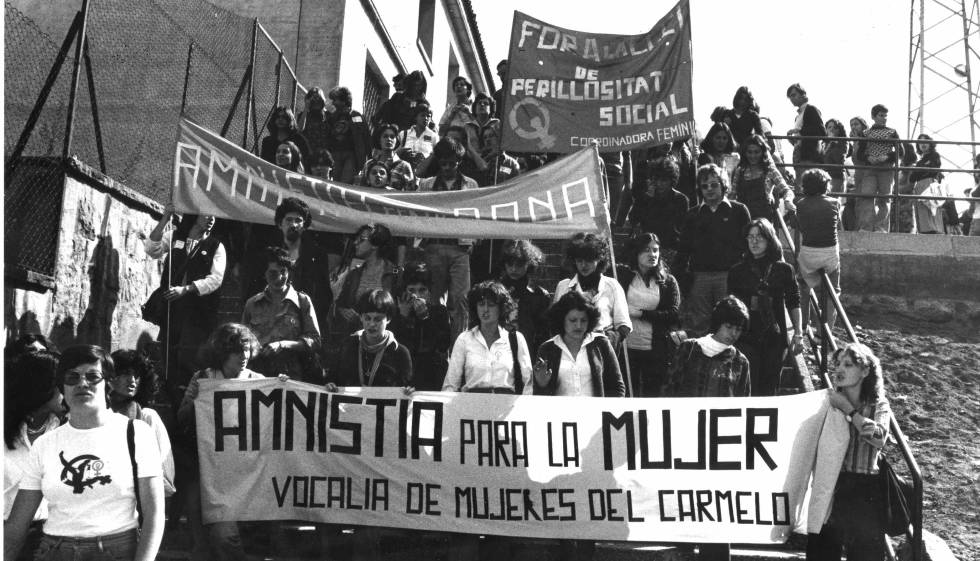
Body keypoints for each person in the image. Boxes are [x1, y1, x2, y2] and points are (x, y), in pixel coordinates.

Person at [4, 345, 165, 561]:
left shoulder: (136, 433)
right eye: (72, 377)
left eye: (93, 376)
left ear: (108, 383)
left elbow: (154, 514)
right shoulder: (45, 444)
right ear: (62, 387)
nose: (82, 383)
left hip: (114, 551)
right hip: (54, 551)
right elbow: (16, 527)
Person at [531, 291, 624, 561]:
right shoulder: (548, 348)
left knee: (589, 493)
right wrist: (543, 383)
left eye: (583, 320)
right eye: (572, 320)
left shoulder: (600, 344)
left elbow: (617, 387)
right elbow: (539, 398)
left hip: (593, 432)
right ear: (562, 320)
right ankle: (564, 549)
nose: (578, 325)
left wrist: (608, 421)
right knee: (562, 491)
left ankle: (586, 551)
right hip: (560, 432)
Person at [662, 297, 751, 561]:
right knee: (684, 504)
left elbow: (745, 405)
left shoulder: (741, 362)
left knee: (717, 510)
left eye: (738, 329)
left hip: (720, 448)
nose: (733, 334)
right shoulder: (690, 349)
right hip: (685, 442)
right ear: (717, 324)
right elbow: (668, 390)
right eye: (729, 326)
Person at [177, 323, 264, 561]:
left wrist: (281, 387)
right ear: (222, 353)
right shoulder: (203, 378)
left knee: (224, 534)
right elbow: (182, 417)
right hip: (206, 464)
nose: (244, 356)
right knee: (198, 513)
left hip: (241, 469)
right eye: (237, 351)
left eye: (247, 350)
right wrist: (201, 402)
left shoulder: (259, 380)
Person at [807, 342, 891, 560]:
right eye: (839, 364)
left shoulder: (877, 405)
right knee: (823, 550)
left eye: (849, 365)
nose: (840, 370)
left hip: (865, 489)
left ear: (864, 371)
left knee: (865, 554)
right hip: (833, 484)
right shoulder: (827, 401)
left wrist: (848, 409)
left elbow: (879, 438)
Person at [145, 204, 225, 407]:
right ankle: (169, 397)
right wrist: (165, 217)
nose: (211, 219)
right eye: (207, 214)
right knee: (168, 351)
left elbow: (215, 279)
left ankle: (188, 401)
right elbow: (151, 249)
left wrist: (187, 289)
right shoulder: (175, 236)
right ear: (195, 215)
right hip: (172, 307)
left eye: (214, 216)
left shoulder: (216, 246)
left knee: (190, 355)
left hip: (197, 311)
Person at [673, 164, 752, 336]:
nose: (709, 189)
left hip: (729, 276)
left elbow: (748, 245)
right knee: (699, 325)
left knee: (729, 322)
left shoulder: (739, 210)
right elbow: (683, 249)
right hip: (700, 277)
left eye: (714, 184)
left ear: (723, 185)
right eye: (704, 186)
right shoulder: (693, 215)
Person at [727, 219, 803, 396]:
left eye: (759, 237)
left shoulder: (784, 269)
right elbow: (731, 307)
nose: (754, 242)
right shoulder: (737, 271)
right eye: (750, 237)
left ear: (769, 239)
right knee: (747, 387)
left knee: (769, 388)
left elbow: (794, 301)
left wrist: (798, 333)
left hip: (774, 337)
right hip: (746, 336)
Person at [4, 351, 65, 561]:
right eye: (62, 382)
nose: (68, 390)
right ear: (43, 386)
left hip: (48, 540)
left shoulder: (62, 430)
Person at [417, 137, 480, 339]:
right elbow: (416, 214)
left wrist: (474, 241)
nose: (446, 167)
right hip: (434, 246)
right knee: (433, 299)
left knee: (460, 300)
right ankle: (433, 345)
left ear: (459, 161)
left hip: (460, 248)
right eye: (442, 163)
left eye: (451, 163)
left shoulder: (471, 185)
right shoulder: (426, 185)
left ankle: (457, 346)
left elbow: (478, 216)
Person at [242, 247, 322, 383]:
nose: (279, 278)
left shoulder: (302, 301)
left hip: (293, 376)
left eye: (283, 272)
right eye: (273, 273)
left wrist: (283, 345)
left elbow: (315, 340)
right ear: (264, 274)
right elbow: (242, 341)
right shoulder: (252, 304)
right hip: (259, 375)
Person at [618, 233, 681, 397]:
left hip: (655, 349)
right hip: (627, 347)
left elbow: (673, 314)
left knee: (651, 394)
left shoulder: (668, 281)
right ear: (636, 253)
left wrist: (641, 314)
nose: (652, 255)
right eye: (646, 250)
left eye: (655, 250)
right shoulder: (622, 275)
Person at [442, 281, 532, 394]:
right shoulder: (464, 339)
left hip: (506, 407)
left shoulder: (516, 339)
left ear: (501, 308)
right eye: (481, 304)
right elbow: (451, 384)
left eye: (491, 305)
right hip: (471, 406)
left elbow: (528, 383)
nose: (485, 309)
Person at [107, 350, 175, 497]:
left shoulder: (146, 416)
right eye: (125, 373)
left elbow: (164, 465)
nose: (132, 380)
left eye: (137, 375)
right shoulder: (100, 414)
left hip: (140, 494)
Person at [553, 233, 632, 349]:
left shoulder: (612, 286)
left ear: (599, 259)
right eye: (579, 260)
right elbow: (555, 321)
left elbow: (624, 325)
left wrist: (610, 340)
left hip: (602, 348)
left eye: (589, 260)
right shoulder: (564, 286)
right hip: (570, 348)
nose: (583, 265)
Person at [327, 289, 413, 390]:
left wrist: (409, 391)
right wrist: (329, 385)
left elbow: (408, 389)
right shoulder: (347, 346)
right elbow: (331, 379)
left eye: (378, 319)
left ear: (388, 319)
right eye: (367, 318)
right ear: (360, 317)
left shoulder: (400, 353)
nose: (372, 324)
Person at [330, 224, 402, 342]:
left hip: (386, 339)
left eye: (361, 240)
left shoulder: (394, 273)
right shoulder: (354, 273)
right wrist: (345, 312)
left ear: (375, 245)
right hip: (358, 337)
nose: (355, 243)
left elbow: (399, 311)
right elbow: (341, 304)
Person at [795, 169, 843, 338]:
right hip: (829, 253)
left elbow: (799, 226)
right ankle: (825, 331)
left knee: (803, 287)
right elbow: (839, 227)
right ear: (826, 185)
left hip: (808, 253)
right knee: (832, 292)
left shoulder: (800, 204)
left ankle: (802, 323)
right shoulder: (835, 202)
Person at [389, 262, 451, 391]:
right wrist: (403, 317)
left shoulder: (440, 311)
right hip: (403, 374)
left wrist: (425, 319)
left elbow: (442, 345)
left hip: (430, 374)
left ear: (429, 292)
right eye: (412, 290)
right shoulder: (396, 312)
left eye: (422, 290)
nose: (416, 295)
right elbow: (393, 347)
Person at [497, 240, 551, 360]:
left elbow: (543, 334)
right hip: (498, 352)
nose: (514, 269)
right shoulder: (494, 291)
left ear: (529, 265)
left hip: (527, 353)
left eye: (519, 264)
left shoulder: (540, 295)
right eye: (510, 264)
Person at [854, 104, 902, 232]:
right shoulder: (865, 133)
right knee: (867, 196)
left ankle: (881, 228)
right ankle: (866, 227)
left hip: (886, 168)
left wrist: (887, 157)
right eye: (881, 115)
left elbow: (900, 152)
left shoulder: (892, 132)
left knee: (884, 198)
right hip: (870, 169)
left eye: (885, 115)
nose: (884, 118)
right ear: (873, 117)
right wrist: (867, 158)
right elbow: (860, 153)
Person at [629, 156, 690, 255]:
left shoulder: (681, 200)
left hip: (670, 247)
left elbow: (683, 229)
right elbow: (633, 219)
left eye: (664, 180)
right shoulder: (645, 196)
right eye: (656, 179)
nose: (659, 184)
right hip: (648, 246)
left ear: (672, 180)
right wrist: (647, 198)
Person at [731, 134, 794, 222]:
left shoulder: (770, 170)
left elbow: (786, 190)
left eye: (756, 152)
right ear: (745, 153)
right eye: (750, 152)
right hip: (743, 218)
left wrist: (787, 201)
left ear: (762, 152)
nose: (753, 156)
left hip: (764, 219)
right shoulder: (740, 171)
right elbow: (732, 195)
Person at [326, 86, 372, 184]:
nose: (333, 103)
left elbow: (366, 137)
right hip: (335, 154)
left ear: (344, 101)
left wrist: (369, 158)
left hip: (351, 155)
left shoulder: (357, 116)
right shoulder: (332, 117)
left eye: (335, 100)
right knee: (336, 183)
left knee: (346, 182)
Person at [786, 83, 826, 183]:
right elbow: (801, 137)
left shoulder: (811, 109)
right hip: (799, 156)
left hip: (810, 157)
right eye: (790, 96)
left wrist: (799, 131)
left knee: (807, 187)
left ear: (803, 94)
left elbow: (821, 132)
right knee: (800, 188)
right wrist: (792, 139)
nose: (791, 98)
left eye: (793, 95)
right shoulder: (797, 116)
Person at [909, 134, 945, 234]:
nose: (923, 144)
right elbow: (912, 178)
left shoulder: (934, 155)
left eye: (925, 141)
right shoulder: (920, 161)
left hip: (930, 184)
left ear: (930, 143)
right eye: (920, 142)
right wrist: (924, 167)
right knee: (922, 209)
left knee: (932, 207)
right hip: (920, 186)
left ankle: (933, 230)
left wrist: (920, 169)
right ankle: (925, 230)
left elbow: (933, 169)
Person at [361, 123, 416, 190]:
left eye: (392, 137)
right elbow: (361, 189)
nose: (389, 139)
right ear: (379, 140)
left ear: (396, 141)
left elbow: (409, 193)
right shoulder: (369, 164)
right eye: (385, 136)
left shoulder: (404, 166)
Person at [297, 87, 333, 178]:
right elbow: (300, 129)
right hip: (309, 154)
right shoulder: (304, 115)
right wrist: (306, 108)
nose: (316, 101)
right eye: (313, 98)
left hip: (325, 155)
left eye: (318, 98)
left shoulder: (328, 116)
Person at [397, 103, 439, 174]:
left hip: (424, 173)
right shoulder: (403, 134)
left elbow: (436, 157)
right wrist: (402, 151)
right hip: (404, 172)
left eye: (428, 116)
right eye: (422, 115)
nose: (425, 118)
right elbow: (395, 154)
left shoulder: (434, 136)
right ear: (416, 117)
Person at [438, 76, 477, 140]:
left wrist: (469, 113)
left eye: (462, 84)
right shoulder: (449, 108)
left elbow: (480, 128)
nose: (458, 86)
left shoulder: (475, 107)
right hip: (452, 144)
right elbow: (441, 132)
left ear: (468, 89)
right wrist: (451, 116)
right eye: (456, 85)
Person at [822, 119, 849, 194]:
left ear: (839, 130)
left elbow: (838, 158)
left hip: (836, 177)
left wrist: (833, 142)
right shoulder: (823, 143)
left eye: (835, 128)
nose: (832, 129)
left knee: (833, 201)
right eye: (829, 127)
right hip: (823, 177)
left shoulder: (843, 142)